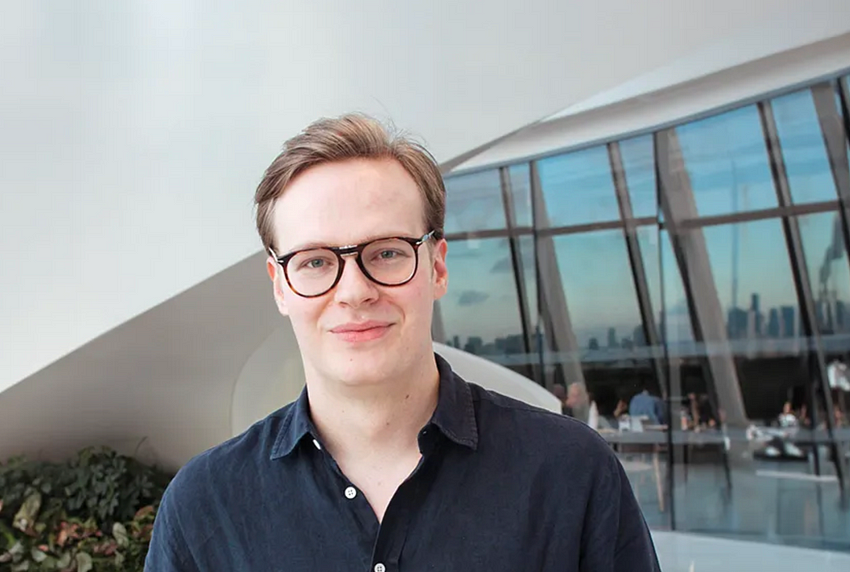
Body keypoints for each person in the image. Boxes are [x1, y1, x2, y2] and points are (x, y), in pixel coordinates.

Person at [144, 113, 660, 571]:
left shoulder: (572, 473)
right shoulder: (204, 506)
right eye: (316, 262)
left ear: (436, 266)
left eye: (387, 253)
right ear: (281, 286)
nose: (354, 292)